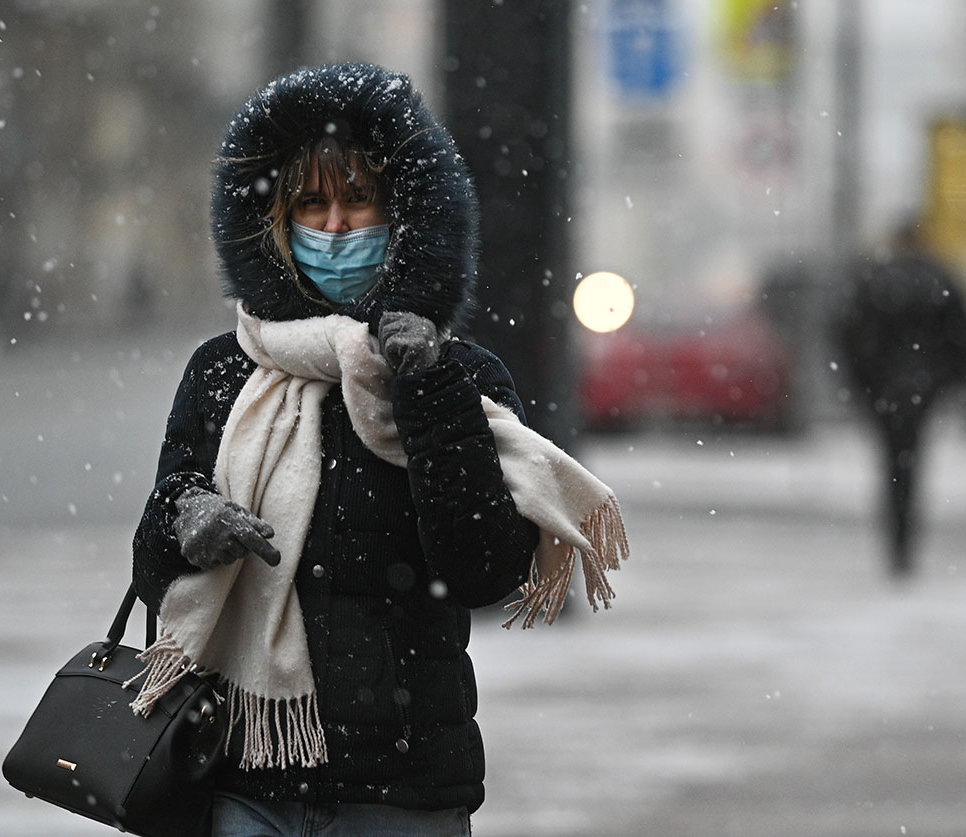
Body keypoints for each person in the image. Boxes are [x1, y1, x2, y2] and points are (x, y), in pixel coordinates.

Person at [129, 63, 627, 836]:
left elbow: (484, 570)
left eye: (356, 199)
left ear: (402, 215)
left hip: (400, 795)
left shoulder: (461, 373)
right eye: (309, 203)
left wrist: (425, 387)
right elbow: (154, 562)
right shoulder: (224, 369)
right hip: (241, 780)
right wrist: (186, 520)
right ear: (273, 223)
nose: (332, 226)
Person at [834, 221, 966, 578]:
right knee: (910, 462)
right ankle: (905, 542)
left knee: (892, 464)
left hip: (884, 387)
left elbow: (848, 335)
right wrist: (949, 381)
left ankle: (896, 540)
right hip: (922, 386)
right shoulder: (940, 280)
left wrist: (862, 385)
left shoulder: (875, 279)